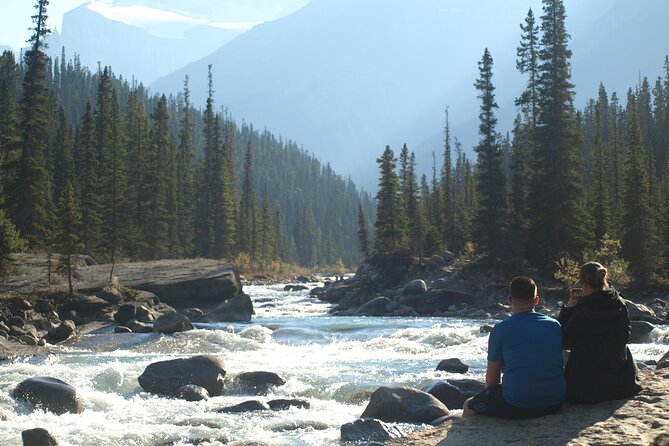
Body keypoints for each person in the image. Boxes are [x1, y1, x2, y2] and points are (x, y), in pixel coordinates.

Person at [463, 276, 565, 418]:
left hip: (517, 404)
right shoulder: (554, 325)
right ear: (536, 300)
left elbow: (492, 381)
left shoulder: (501, 329)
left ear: (509, 300)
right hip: (555, 401)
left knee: (468, 405)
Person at [558, 262, 642, 404]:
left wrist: (569, 309)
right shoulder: (619, 302)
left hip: (588, 385)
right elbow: (626, 335)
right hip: (620, 379)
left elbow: (564, 340)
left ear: (583, 284)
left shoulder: (583, 310)